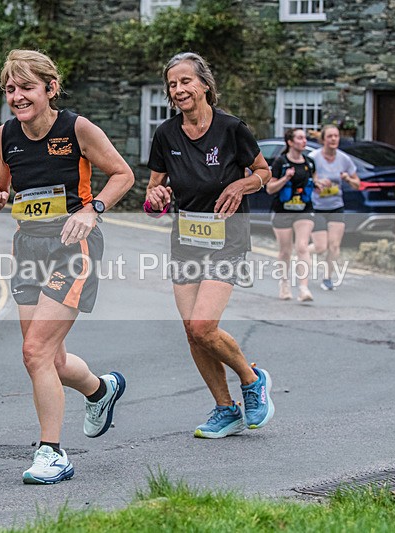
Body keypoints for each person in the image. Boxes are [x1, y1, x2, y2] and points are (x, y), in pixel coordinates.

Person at [0, 50, 134, 484]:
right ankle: (101, 390)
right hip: (27, 248)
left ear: (50, 88)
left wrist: (93, 209)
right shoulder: (4, 136)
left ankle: (53, 454)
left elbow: (122, 174)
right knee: (50, 358)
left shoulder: (76, 128)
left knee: (34, 352)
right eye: (10, 89)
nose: (17, 96)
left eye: (26, 87)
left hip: (73, 246)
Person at [144, 52, 274, 440]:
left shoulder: (232, 129)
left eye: (186, 81)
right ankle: (225, 408)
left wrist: (240, 184)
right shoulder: (166, 134)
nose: (179, 89)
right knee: (191, 330)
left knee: (204, 325)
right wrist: (158, 198)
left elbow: (264, 173)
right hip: (186, 239)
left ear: (204, 84)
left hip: (227, 239)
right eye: (172, 84)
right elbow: (153, 192)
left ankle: (251, 380)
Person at [265, 128, 318, 302]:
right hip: (282, 211)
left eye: (305, 138)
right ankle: (284, 283)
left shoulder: (310, 163)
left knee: (302, 247)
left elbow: (315, 181)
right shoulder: (281, 162)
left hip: (304, 209)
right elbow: (270, 188)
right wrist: (285, 179)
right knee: (285, 251)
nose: (304, 141)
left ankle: (304, 288)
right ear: (290, 142)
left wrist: (321, 185)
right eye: (300, 138)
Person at [309, 124, 360, 290]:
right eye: (330, 136)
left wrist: (347, 178)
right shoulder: (314, 157)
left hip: (336, 206)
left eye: (336, 136)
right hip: (316, 206)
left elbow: (357, 184)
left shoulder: (344, 159)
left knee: (335, 246)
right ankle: (302, 252)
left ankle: (327, 278)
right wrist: (316, 182)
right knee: (320, 246)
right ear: (323, 139)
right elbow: (303, 179)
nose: (333, 139)